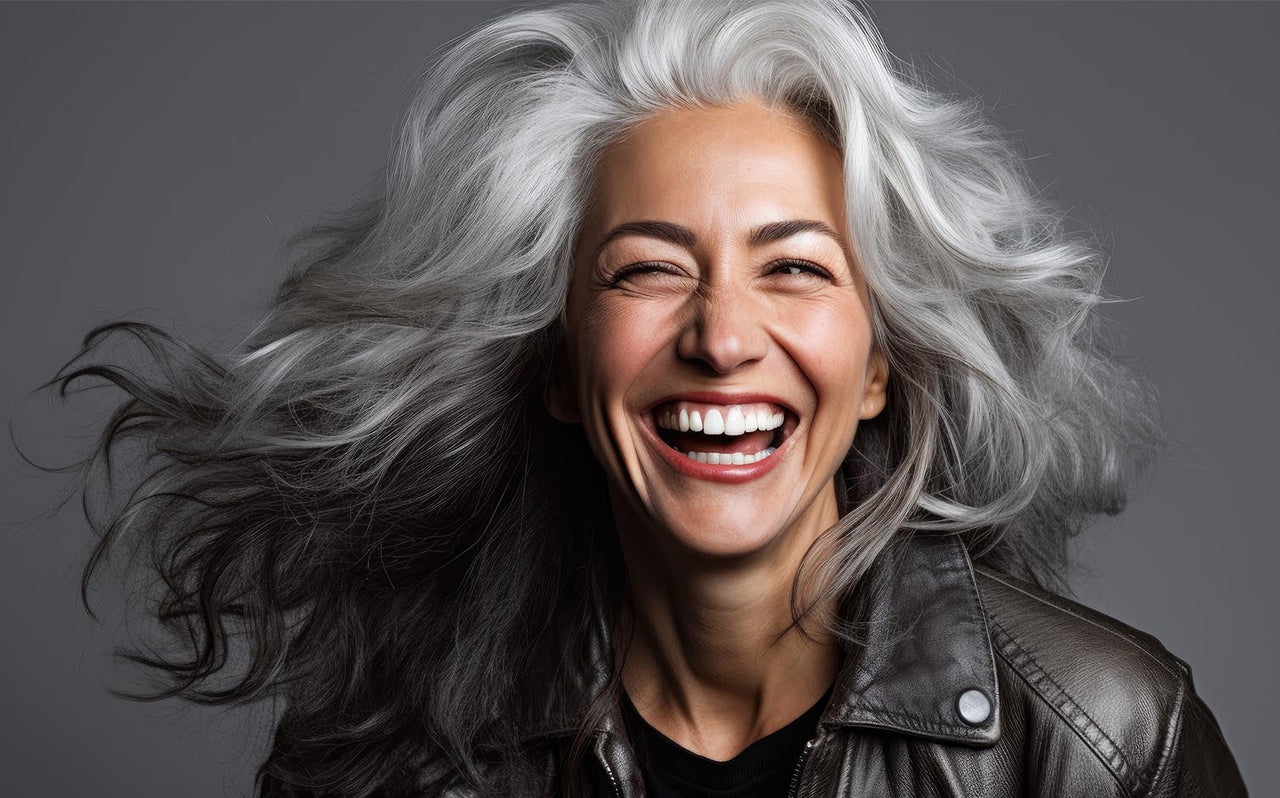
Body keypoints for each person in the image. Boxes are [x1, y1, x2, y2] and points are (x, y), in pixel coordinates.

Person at [42, 0, 1246, 796]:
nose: (722, 338)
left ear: (882, 362)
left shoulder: (1103, 743)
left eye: (793, 267)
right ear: (560, 364)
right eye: (648, 268)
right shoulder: (389, 758)